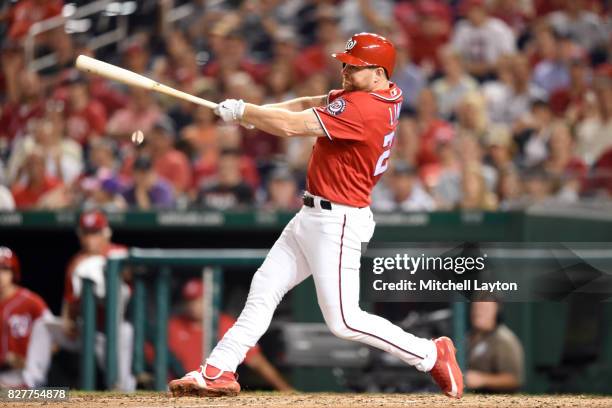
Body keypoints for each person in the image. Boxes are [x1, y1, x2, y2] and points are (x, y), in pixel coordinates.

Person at [169, 32, 463, 399]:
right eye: (345, 63)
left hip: (338, 221)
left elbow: (294, 126)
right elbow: (312, 102)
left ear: (378, 72)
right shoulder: (382, 91)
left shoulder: (365, 108)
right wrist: (256, 115)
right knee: (263, 289)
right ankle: (219, 370)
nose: (344, 70)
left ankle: (429, 353)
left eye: (354, 67)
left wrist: (249, 114)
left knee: (344, 321)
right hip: (312, 214)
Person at [23, 210, 136, 391]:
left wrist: (124, 270)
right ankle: (31, 385)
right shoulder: (76, 262)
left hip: (113, 332)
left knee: (121, 383)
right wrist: (68, 319)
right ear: (80, 235)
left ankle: (125, 391)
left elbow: (136, 274)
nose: (91, 239)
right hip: (85, 330)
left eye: (95, 233)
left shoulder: (119, 253)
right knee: (43, 326)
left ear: (106, 233)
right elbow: (69, 299)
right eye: (87, 233)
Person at [160, 279, 293, 391]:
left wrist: (285, 389)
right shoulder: (172, 325)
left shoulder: (225, 324)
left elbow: (257, 362)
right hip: (177, 386)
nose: (193, 306)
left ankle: (210, 378)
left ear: (210, 300)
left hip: (214, 384)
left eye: (198, 300)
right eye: (189, 301)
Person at [0, 247, 49, 388]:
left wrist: (31, 360)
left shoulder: (31, 301)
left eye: (4, 269)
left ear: (13, 273)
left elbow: (54, 340)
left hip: (25, 374)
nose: (0, 275)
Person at [466, 297, 524, 392]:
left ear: (496, 311)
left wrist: (482, 379)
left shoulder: (504, 339)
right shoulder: (469, 336)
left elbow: (514, 380)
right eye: (476, 308)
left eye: (484, 308)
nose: (478, 313)